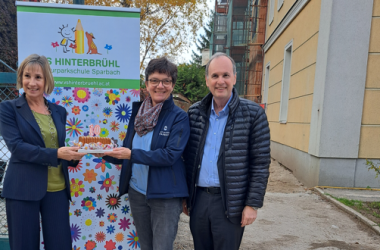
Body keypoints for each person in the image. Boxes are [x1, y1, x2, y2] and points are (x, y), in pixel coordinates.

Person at [98, 57, 190, 250]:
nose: (160, 86)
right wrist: (100, 151)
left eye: (166, 81)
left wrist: (131, 154)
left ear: (172, 85)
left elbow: (169, 155)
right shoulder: (138, 113)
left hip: (165, 196)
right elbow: (126, 150)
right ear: (147, 83)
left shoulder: (179, 117)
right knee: (146, 247)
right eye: (155, 80)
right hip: (138, 193)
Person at [183, 52, 271, 250]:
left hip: (231, 202)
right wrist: (185, 196)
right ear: (207, 80)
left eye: (225, 75)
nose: (220, 81)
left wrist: (252, 204)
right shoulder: (194, 113)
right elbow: (187, 159)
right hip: (198, 200)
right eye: (214, 76)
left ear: (234, 78)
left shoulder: (254, 114)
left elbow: (260, 163)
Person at [0, 54, 85, 250]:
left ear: (46, 80)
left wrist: (73, 156)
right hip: (22, 189)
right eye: (27, 76)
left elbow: (58, 145)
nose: (32, 82)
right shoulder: (8, 109)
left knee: (60, 245)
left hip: (58, 190)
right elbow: (17, 148)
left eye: (38, 77)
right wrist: (57, 154)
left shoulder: (59, 111)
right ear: (20, 78)